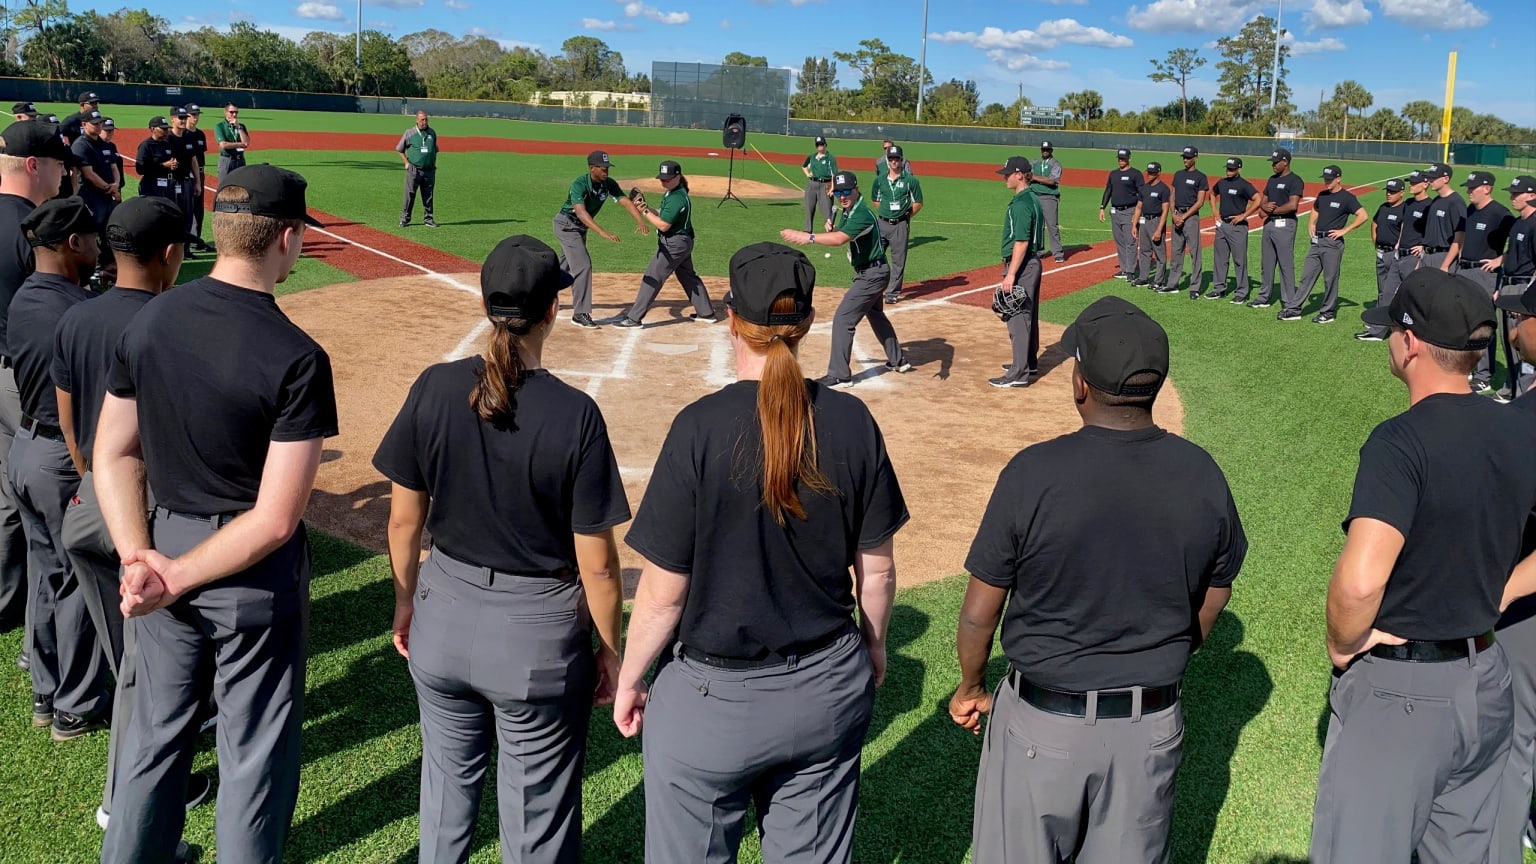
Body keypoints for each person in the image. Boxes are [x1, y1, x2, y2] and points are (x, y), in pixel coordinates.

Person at [613, 241, 906, 864]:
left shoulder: (698, 426)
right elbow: (876, 573)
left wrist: (631, 678)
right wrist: (875, 645)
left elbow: (662, 597)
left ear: (731, 320)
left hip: (711, 703)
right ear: (808, 323)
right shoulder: (852, 421)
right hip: (827, 688)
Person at [952, 294, 1246, 864]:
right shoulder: (1202, 472)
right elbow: (1218, 587)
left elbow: (979, 611)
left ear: (1080, 384)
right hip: (1149, 728)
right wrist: (1178, 646)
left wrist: (971, 686)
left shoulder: (1033, 472)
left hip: (1042, 729)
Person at [97, 165, 335, 863]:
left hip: (161, 545)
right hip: (249, 572)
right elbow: (276, 519)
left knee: (154, 738)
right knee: (253, 753)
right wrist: (168, 572)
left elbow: (112, 452)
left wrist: (139, 557)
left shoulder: (148, 321)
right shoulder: (296, 356)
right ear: (285, 238)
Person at [374, 234, 628, 864]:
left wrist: (406, 603)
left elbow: (403, 523)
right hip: (537, 641)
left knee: (444, 804)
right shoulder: (576, 414)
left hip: (441, 617)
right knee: (536, 825)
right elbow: (598, 566)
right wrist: (611, 650)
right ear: (552, 311)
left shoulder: (434, 386)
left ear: (487, 305)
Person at [1311, 268, 1536, 863]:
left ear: (1409, 343)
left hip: (1403, 697)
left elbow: (1361, 582)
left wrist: (1342, 643)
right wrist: (1503, 592)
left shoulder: (1399, 442)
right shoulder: (1518, 426)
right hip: (1487, 683)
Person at [51, 196, 211, 833]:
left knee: (127, 657)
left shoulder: (77, 315)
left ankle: (70, 706)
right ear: (170, 254)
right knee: (144, 674)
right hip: (141, 515)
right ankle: (123, 805)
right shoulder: (175, 322)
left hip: (89, 501)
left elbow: (69, 420)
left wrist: (92, 480)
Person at [10, 196, 106, 741]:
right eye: (91, 239)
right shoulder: (76, 311)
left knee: (45, 572)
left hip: (24, 449)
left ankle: (45, 692)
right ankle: (76, 704)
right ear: (73, 243)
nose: (97, 246)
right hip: (60, 458)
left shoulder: (26, 295)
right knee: (77, 582)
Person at [0, 121, 67, 662]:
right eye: (59, 165)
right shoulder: (32, 230)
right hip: (19, 379)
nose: (63, 174)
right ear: (33, 165)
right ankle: (41, 627)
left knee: (6, 493)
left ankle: (6, 602)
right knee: (44, 505)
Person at [778, 171, 910, 388]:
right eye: (839, 192)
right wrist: (834, 228)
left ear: (856, 189)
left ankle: (840, 374)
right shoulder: (850, 210)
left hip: (872, 275)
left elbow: (840, 239)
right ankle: (898, 360)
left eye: (847, 191)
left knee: (843, 320)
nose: (843, 196)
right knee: (876, 314)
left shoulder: (862, 213)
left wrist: (808, 237)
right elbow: (842, 232)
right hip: (874, 271)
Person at [1494, 280, 1536, 864]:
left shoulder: (1525, 419)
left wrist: (1500, 590)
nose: (1515, 326)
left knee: (1511, 737)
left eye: (1523, 315)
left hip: (1526, 606)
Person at [613, 160, 720, 327]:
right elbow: (663, 214)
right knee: (687, 276)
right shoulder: (673, 192)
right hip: (682, 242)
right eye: (662, 179)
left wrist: (644, 210)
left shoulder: (677, 198)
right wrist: (647, 207)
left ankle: (634, 318)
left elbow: (663, 225)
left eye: (668, 179)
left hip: (674, 245)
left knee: (653, 276)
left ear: (678, 176)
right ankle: (706, 312)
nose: (664, 182)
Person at [551, 150, 648, 330]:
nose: (606, 171)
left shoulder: (608, 184)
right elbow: (581, 212)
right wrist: (602, 232)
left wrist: (640, 220)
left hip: (580, 229)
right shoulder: (579, 184)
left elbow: (625, 201)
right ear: (592, 168)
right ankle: (580, 314)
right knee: (583, 265)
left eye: (607, 168)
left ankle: (538, 295)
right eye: (602, 169)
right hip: (566, 225)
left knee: (564, 266)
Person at [1455, 171, 1515, 394]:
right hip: (1464, 270)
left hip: (1484, 274)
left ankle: (1484, 376)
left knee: (1482, 324)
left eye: (1473, 187)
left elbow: (1519, 242)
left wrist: (1500, 259)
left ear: (1487, 188)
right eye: (1468, 187)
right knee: (1465, 322)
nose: (1469, 191)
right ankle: (1469, 366)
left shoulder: (1501, 213)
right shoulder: (1470, 210)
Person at [989, 157, 1045, 389]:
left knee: (1018, 319)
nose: (1005, 177)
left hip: (1022, 265)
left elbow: (1021, 241)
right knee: (1028, 315)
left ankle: (1018, 373)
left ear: (1019, 175)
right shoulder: (1033, 198)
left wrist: (1011, 274)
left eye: (1008, 173)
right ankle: (1029, 363)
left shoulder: (1022, 204)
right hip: (1032, 263)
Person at [1296, 165, 1366, 325]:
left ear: (1338, 178)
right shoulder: (1322, 195)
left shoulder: (1347, 198)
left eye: (1330, 179)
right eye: (1325, 179)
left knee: (1330, 279)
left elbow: (1363, 215)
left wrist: (1344, 230)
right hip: (1316, 242)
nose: (1326, 182)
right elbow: (1315, 209)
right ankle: (1294, 309)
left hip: (1332, 243)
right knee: (1306, 276)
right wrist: (1311, 223)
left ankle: (1327, 312)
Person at [1490, 175, 1536, 398]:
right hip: (1508, 285)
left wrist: (1527, 300)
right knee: (1507, 341)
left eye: (1517, 193)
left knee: (1523, 344)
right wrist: (1500, 284)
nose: (1512, 197)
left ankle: (1523, 395)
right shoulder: (1519, 222)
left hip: (1524, 287)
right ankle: (1510, 388)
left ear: (1532, 195)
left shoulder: (1535, 224)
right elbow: (1512, 253)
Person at [871, 144, 923, 304]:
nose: (894, 161)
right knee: (874, 256)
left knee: (898, 261)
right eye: (891, 159)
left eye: (896, 159)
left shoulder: (910, 180)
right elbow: (875, 200)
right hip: (882, 223)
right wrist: (886, 212)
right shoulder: (879, 180)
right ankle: (873, 288)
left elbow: (918, 202)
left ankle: (892, 292)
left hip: (900, 225)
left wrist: (905, 216)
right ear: (887, 160)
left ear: (902, 160)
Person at [1357, 178, 1408, 342]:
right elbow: (1374, 223)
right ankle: (1379, 320)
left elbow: (1405, 229)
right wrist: (1376, 242)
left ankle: (1386, 326)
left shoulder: (1405, 209)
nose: (1389, 194)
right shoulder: (1383, 207)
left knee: (1392, 292)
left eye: (1393, 192)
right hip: (1381, 253)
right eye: (1388, 191)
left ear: (1402, 192)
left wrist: (1397, 248)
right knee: (1382, 290)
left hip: (1394, 254)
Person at [1257, 148, 1303, 318]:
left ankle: (1289, 302)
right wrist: (1265, 207)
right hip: (1269, 225)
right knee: (1267, 263)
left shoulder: (1295, 180)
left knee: (1285, 264)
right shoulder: (1272, 180)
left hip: (1285, 224)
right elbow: (1263, 202)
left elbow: (1292, 205)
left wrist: (1270, 211)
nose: (1273, 165)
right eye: (1273, 162)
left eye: (1276, 162)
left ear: (1286, 162)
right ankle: (1263, 297)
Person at [1211, 157, 1260, 304]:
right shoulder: (1222, 183)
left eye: (1232, 168)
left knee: (1239, 261)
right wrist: (1214, 211)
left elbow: (1258, 199)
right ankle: (1219, 289)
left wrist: (1244, 216)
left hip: (1237, 227)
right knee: (1220, 260)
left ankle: (1241, 292)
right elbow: (1212, 193)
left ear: (1239, 169)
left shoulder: (1244, 185)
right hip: (1222, 226)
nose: (1228, 170)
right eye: (1227, 168)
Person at [1170, 146, 1210, 298]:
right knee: (1176, 252)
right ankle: (1172, 284)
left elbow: (1200, 202)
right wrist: (1173, 214)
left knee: (1195, 253)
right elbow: (1172, 195)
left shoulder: (1201, 177)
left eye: (1188, 157)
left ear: (1195, 158)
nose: (1185, 160)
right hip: (1176, 216)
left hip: (1191, 217)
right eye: (1184, 157)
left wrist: (1184, 217)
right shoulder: (1178, 175)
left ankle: (1195, 287)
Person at [1099, 148, 1142, 279]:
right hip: (1115, 212)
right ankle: (1124, 269)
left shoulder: (1136, 174)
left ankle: (1131, 271)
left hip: (1130, 211)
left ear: (1129, 159)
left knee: (1130, 242)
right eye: (1119, 158)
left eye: (1123, 158)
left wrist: (1137, 213)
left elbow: (1142, 194)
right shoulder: (1113, 174)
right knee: (1120, 242)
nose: (1121, 160)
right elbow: (1108, 190)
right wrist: (1102, 207)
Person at [1416, 162, 1466, 274]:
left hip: (1442, 257)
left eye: (1433, 178)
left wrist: (1445, 265)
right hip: (1427, 256)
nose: (1430, 181)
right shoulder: (1436, 200)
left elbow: (1460, 237)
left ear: (1446, 179)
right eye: (1429, 178)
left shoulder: (1456, 202)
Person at [70, 111, 118, 227]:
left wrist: (116, 184)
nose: (99, 126)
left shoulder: (105, 144)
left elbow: (114, 168)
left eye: (100, 123)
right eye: (95, 123)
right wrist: (110, 188)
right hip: (91, 195)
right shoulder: (81, 145)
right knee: (93, 228)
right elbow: (89, 174)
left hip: (107, 194)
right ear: (84, 124)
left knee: (110, 226)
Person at [166, 108, 200, 258]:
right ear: (172, 119)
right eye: (180, 118)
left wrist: (197, 182)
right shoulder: (167, 138)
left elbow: (193, 160)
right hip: (172, 181)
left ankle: (185, 249)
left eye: (185, 117)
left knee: (187, 215)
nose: (183, 120)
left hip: (186, 181)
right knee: (173, 215)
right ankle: (172, 249)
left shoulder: (188, 136)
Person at [1133, 161, 1171, 291]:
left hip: (1156, 220)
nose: (1149, 175)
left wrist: (1159, 229)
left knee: (1159, 253)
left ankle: (1158, 280)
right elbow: (1139, 207)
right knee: (1144, 251)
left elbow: (1165, 210)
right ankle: (1143, 277)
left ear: (1159, 173)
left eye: (1152, 173)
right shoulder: (1144, 188)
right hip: (1144, 221)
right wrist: (1134, 225)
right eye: (1148, 172)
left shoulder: (1164, 189)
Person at [397, 109, 438, 229]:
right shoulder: (409, 133)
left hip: (429, 170)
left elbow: (435, 149)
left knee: (428, 195)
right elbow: (399, 149)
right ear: (417, 120)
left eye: (426, 119)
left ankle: (428, 219)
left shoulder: (432, 133)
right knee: (409, 195)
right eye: (422, 120)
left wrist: (431, 162)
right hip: (414, 170)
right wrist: (406, 163)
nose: (424, 122)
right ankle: (405, 219)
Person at [182, 105, 210, 251]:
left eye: (197, 114)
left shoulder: (200, 134)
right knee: (188, 207)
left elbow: (201, 155)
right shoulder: (182, 134)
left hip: (200, 173)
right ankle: (188, 241)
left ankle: (196, 240)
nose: (195, 117)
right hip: (187, 174)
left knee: (199, 209)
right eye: (192, 114)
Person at [1031, 141, 1065, 263]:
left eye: (1047, 149)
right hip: (1035, 196)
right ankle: (1039, 251)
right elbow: (1026, 175)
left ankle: (1058, 253)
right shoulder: (1034, 162)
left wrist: (1034, 177)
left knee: (1052, 226)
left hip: (1049, 197)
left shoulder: (1056, 164)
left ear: (1051, 150)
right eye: (1043, 149)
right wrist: (1039, 179)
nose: (1045, 151)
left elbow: (1052, 180)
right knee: (1037, 225)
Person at [134, 117, 178, 205]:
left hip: (168, 184)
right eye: (163, 129)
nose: (166, 131)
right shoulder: (146, 146)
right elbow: (140, 169)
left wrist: (174, 165)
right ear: (153, 129)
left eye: (167, 129)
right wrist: (163, 165)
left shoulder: (167, 144)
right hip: (151, 185)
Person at [801, 135, 836, 233]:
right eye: (818, 144)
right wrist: (808, 174)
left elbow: (834, 174)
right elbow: (804, 166)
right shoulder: (812, 157)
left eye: (821, 144)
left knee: (827, 210)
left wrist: (832, 188)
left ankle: (829, 230)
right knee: (809, 208)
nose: (820, 146)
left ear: (825, 145)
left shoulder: (830, 158)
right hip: (812, 184)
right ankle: (808, 230)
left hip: (825, 185)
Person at [213, 104, 250, 190]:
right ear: (225, 112)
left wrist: (239, 127)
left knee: (241, 187)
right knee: (224, 187)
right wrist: (240, 144)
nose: (234, 114)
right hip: (227, 160)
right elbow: (223, 145)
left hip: (240, 160)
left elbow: (246, 143)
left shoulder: (241, 126)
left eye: (236, 112)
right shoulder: (220, 126)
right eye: (231, 112)